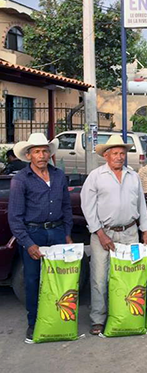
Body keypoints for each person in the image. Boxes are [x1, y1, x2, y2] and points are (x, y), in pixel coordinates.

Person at [81, 134, 147, 335]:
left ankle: (124, 314)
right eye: (115, 153)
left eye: (122, 153)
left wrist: (145, 231)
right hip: (103, 234)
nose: (120, 157)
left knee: (127, 276)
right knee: (100, 277)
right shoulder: (96, 176)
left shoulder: (133, 176)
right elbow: (88, 207)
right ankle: (98, 318)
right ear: (106, 155)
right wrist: (100, 233)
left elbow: (141, 206)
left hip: (129, 233)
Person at [8, 133, 73, 343]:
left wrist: (67, 233)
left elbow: (66, 207)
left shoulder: (59, 175)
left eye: (45, 151)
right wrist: (28, 243)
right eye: (37, 151)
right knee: (33, 280)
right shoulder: (20, 180)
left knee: (60, 278)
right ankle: (34, 323)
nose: (41, 155)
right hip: (34, 233)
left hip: (57, 231)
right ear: (29, 155)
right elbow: (15, 217)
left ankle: (58, 319)